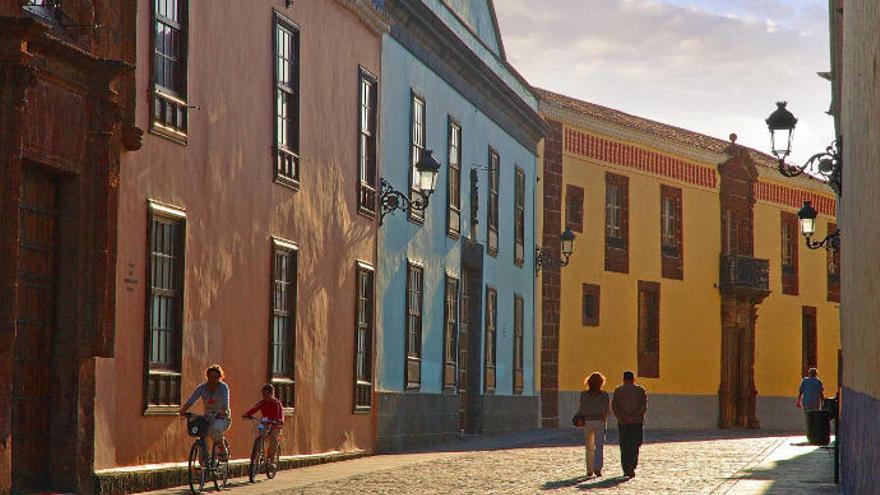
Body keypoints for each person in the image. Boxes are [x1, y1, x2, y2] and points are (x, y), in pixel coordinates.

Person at [180, 364, 232, 461]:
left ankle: (222, 448)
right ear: (207, 377)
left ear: (220, 377)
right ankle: (204, 464)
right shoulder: (202, 388)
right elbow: (192, 399)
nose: (213, 379)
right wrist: (183, 410)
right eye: (210, 377)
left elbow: (225, 402)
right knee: (202, 435)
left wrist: (223, 411)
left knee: (214, 430)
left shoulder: (223, 387)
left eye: (216, 377)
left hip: (222, 418)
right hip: (208, 417)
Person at [612, 370, 647, 478]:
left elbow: (615, 406)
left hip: (623, 422)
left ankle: (626, 468)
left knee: (624, 445)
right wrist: (634, 415)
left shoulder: (618, 390)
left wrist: (623, 416)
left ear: (624, 379)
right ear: (633, 379)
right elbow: (643, 406)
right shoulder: (640, 390)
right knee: (635, 444)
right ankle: (632, 465)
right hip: (636, 421)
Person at [576, 371, 611, 478]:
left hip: (588, 421)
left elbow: (581, 409)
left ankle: (589, 469)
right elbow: (607, 410)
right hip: (600, 421)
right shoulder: (605, 395)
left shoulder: (584, 394)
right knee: (599, 446)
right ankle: (598, 468)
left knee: (589, 446)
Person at [243, 383, 285, 465]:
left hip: (275, 424)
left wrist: (279, 420)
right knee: (261, 434)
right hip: (265, 423)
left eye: (268, 394)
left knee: (274, 438)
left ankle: (271, 458)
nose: (266, 396)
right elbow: (254, 409)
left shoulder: (277, 403)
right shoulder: (262, 403)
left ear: (272, 394)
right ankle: (258, 453)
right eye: (264, 394)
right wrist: (247, 414)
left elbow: (281, 414)